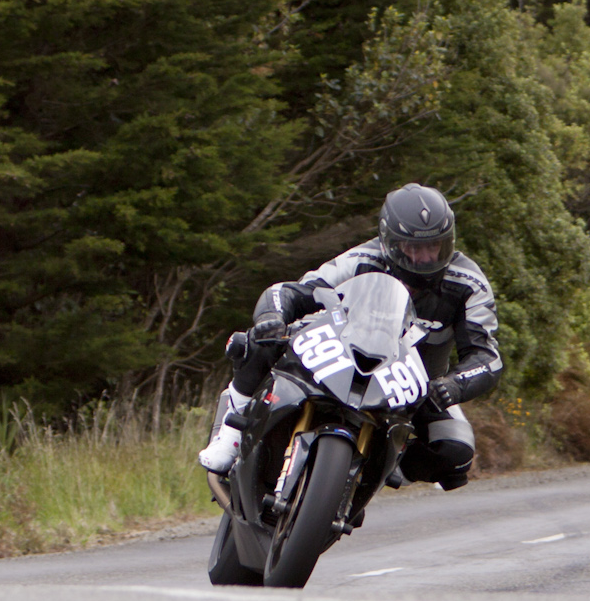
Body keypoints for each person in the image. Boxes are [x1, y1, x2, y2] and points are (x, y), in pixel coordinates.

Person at [198, 183, 501, 490]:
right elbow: (289, 292)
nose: (425, 258)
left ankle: (379, 471)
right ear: (391, 243)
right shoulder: (361, 259)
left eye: (434, 246)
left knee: (456, 452)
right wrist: (271, 318)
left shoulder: (469, 283)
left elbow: (486, 357)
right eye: (413, 248)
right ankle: (231, 433)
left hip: (415, 385)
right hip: (342, 358)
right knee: (258, 340)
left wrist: (453, 384)